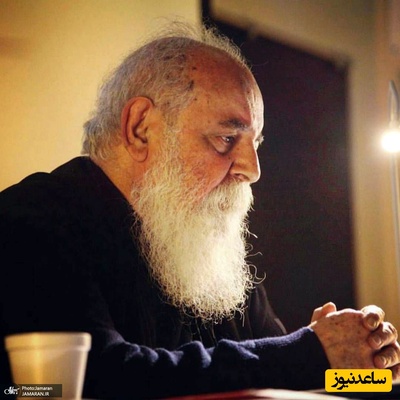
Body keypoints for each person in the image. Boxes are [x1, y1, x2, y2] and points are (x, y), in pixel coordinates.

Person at [0, 21, 399, 400]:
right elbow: (94, 380)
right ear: (140, 128)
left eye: (255, 143)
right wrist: (308, 352)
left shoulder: (209, 254)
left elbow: (282, 377)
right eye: (226, 138)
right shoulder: (31, 220)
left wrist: (365, 372)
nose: (253, 171)